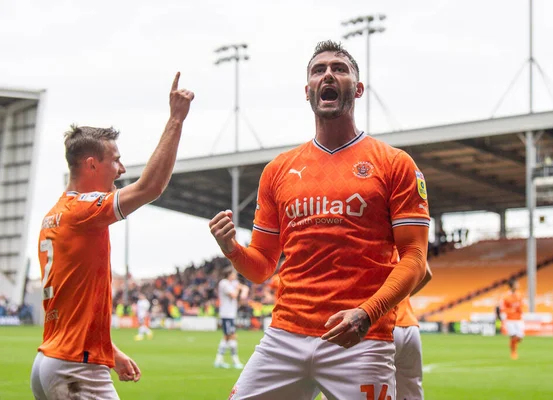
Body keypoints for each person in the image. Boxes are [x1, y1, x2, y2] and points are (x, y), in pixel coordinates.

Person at [209, 40, 429, 400]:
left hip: (360, 338)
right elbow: (263, 265)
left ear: (357, 89)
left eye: (339, 68)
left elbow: (416, 260)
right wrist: (232, 248)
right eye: (318, 70)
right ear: (308, 91)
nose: (328, 73)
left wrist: (367, 313)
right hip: (285, 336)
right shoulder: (278, 170)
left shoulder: (394, 163)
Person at [31, 73, 194, 400]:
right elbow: (150, 187)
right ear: (91, 164)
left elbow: (75, 306)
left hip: (54, 360)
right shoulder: (82, 211)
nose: (121, 169)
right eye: (115, 159)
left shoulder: (55, 214)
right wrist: (176, 119)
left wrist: (110, 350)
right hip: (74, 368)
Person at [393, 262, 432, 400]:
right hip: (410, 327)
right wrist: (400, 297)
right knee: (410, 395)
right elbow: (426, 273)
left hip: (381, 325)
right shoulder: (403, 241)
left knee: (340, 388)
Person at [214, 267, 248, 369]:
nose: (235, 276)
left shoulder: (232, 283)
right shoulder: (224, 283)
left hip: (231, 314)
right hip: (226, 314)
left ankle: (219, 360)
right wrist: (238, 290)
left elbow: (245, 288)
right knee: (231, 336)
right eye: (233, 274)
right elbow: (233, 295)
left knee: (227, 337)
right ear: (229, 274)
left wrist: (243, 293)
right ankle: (234, 360)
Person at [501, 279, 524, 360]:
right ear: (512, 286)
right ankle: (513, 352)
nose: (518, 285)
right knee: (513, 336)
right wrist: (510, 310)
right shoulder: (506, 297)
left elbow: (521, 305)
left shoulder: (519, 295)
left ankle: (512, 344)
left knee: (520, 337)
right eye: (516, 284)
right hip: (510, 319)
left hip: (519, 319)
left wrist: (520, 310)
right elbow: (502, 308)